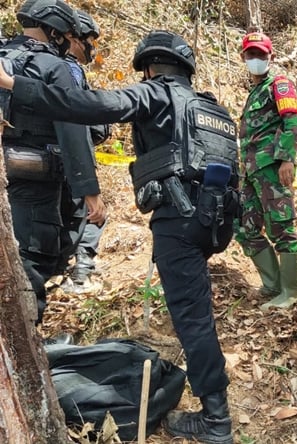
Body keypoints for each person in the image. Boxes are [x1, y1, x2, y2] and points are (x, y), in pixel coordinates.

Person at [0, 30, 240, 444]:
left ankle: (216, 421)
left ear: (150, 69)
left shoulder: (157, 93)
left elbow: (90, 105)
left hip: (180, 221)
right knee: (196, 310)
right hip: (214, 222)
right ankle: (213, 409)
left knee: (193, 319)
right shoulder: (210, 107)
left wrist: (13, 84)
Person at [0, 0, 106, 327]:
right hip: (32, 184)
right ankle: (26, 346)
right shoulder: (53, 66)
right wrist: (90, 191)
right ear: (55, 31)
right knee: (31, 262)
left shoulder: (4, 56)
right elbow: (74, 130)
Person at [234, 31, 297, 309]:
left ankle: (290, 292)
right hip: (250, 172)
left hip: (272, 168)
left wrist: (287, 159)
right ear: (244, 57)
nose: (255, 59)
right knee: (244, 228)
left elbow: (291, 120)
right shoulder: (254, 93)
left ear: (270, 56)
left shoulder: (279, 84)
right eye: (251, 54)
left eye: (260, 54)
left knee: (281, 227)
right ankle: (272, 285)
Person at [55, 9, 110, 289]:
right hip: (68, 159)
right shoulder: (68, 69)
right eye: (90, 40)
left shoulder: (38, 64)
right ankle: (80, 272)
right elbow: (77, 120)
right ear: (74, 38)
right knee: (93, 213)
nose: (92, 47)